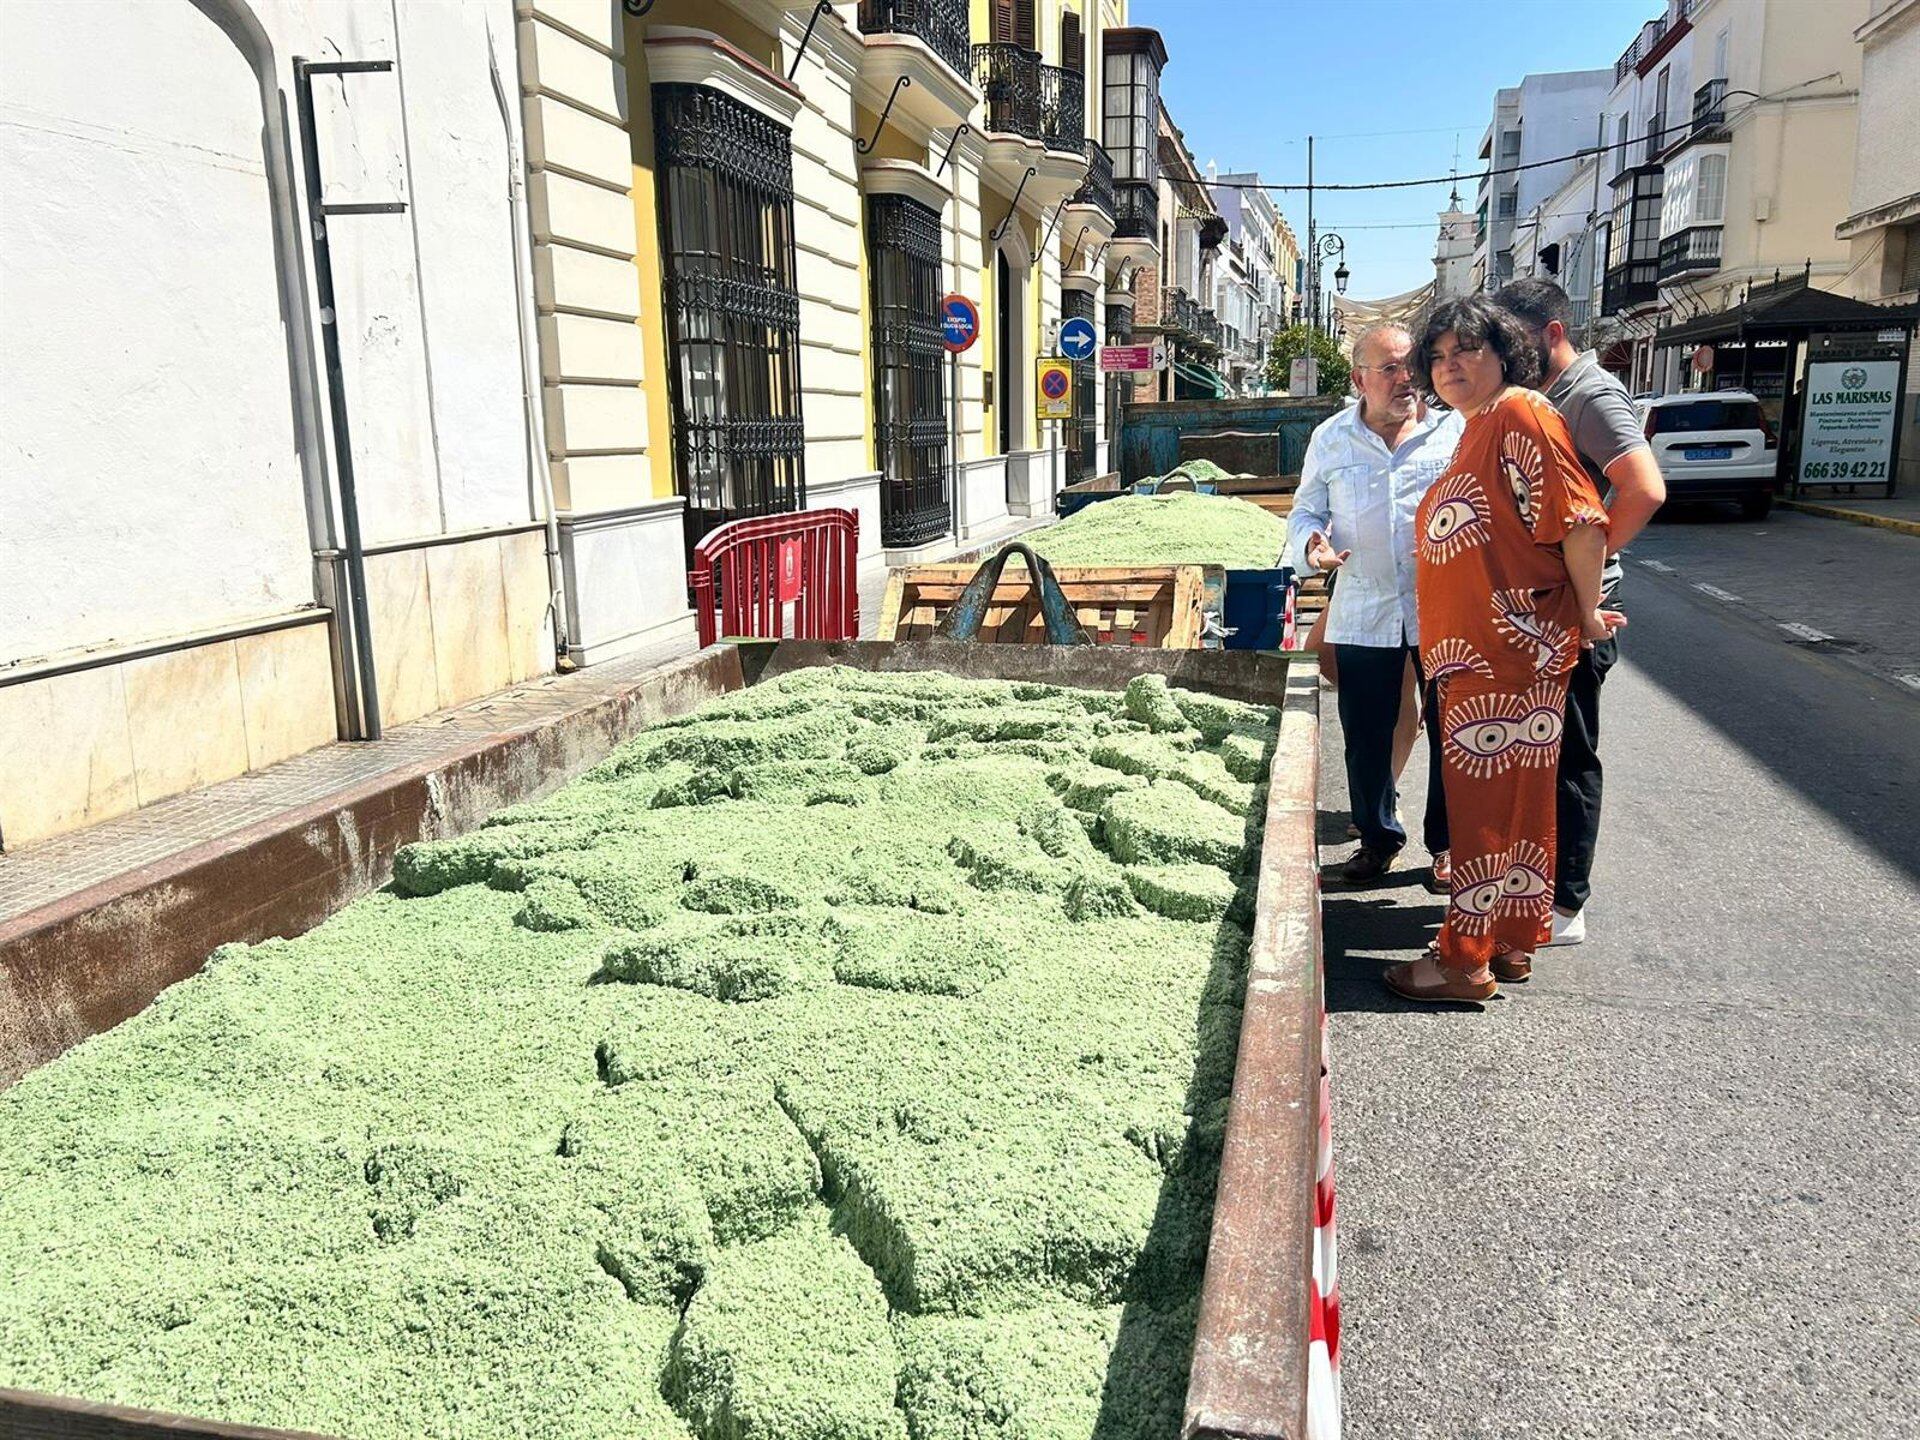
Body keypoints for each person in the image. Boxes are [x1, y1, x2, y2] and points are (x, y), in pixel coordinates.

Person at [1385, 296, 1623, 1003]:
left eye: (1467, 348)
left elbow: (1580, 519)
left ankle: (1462, 963)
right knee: (1515, 806)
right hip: (1492, 648)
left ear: (1504, 351)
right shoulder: (1480, 425)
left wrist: (1587, 611)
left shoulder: (1520, 413)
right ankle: (1510, 944)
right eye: (1437, 355)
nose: (1449, 365)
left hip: (1504, 650)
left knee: (1481, 809)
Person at [1495, 280, 1666, 947]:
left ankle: (1565, 904)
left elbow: (1643, 489)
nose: (1506, 356)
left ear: (1554, 333)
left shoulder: (1589, 396)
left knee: (1568, 753)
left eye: (1515, 342)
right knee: (1537, 751)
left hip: (1575, 609)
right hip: (1543, 607)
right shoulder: (1543, 398)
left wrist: (1580, 575)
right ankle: (1535, 888)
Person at [1286, 322, 1465, 883]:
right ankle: (1377, 837)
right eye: (1389, 369)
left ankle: (1449, 845)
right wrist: (1311, 546)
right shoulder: (1331, 438)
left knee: (1452, 731)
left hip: (1444, 608)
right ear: (1359, 378)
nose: (1406, 378)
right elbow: (1306, 510)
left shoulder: (1453, 430)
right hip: (1364, 607)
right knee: (1365, 737)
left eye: (1412, 365)